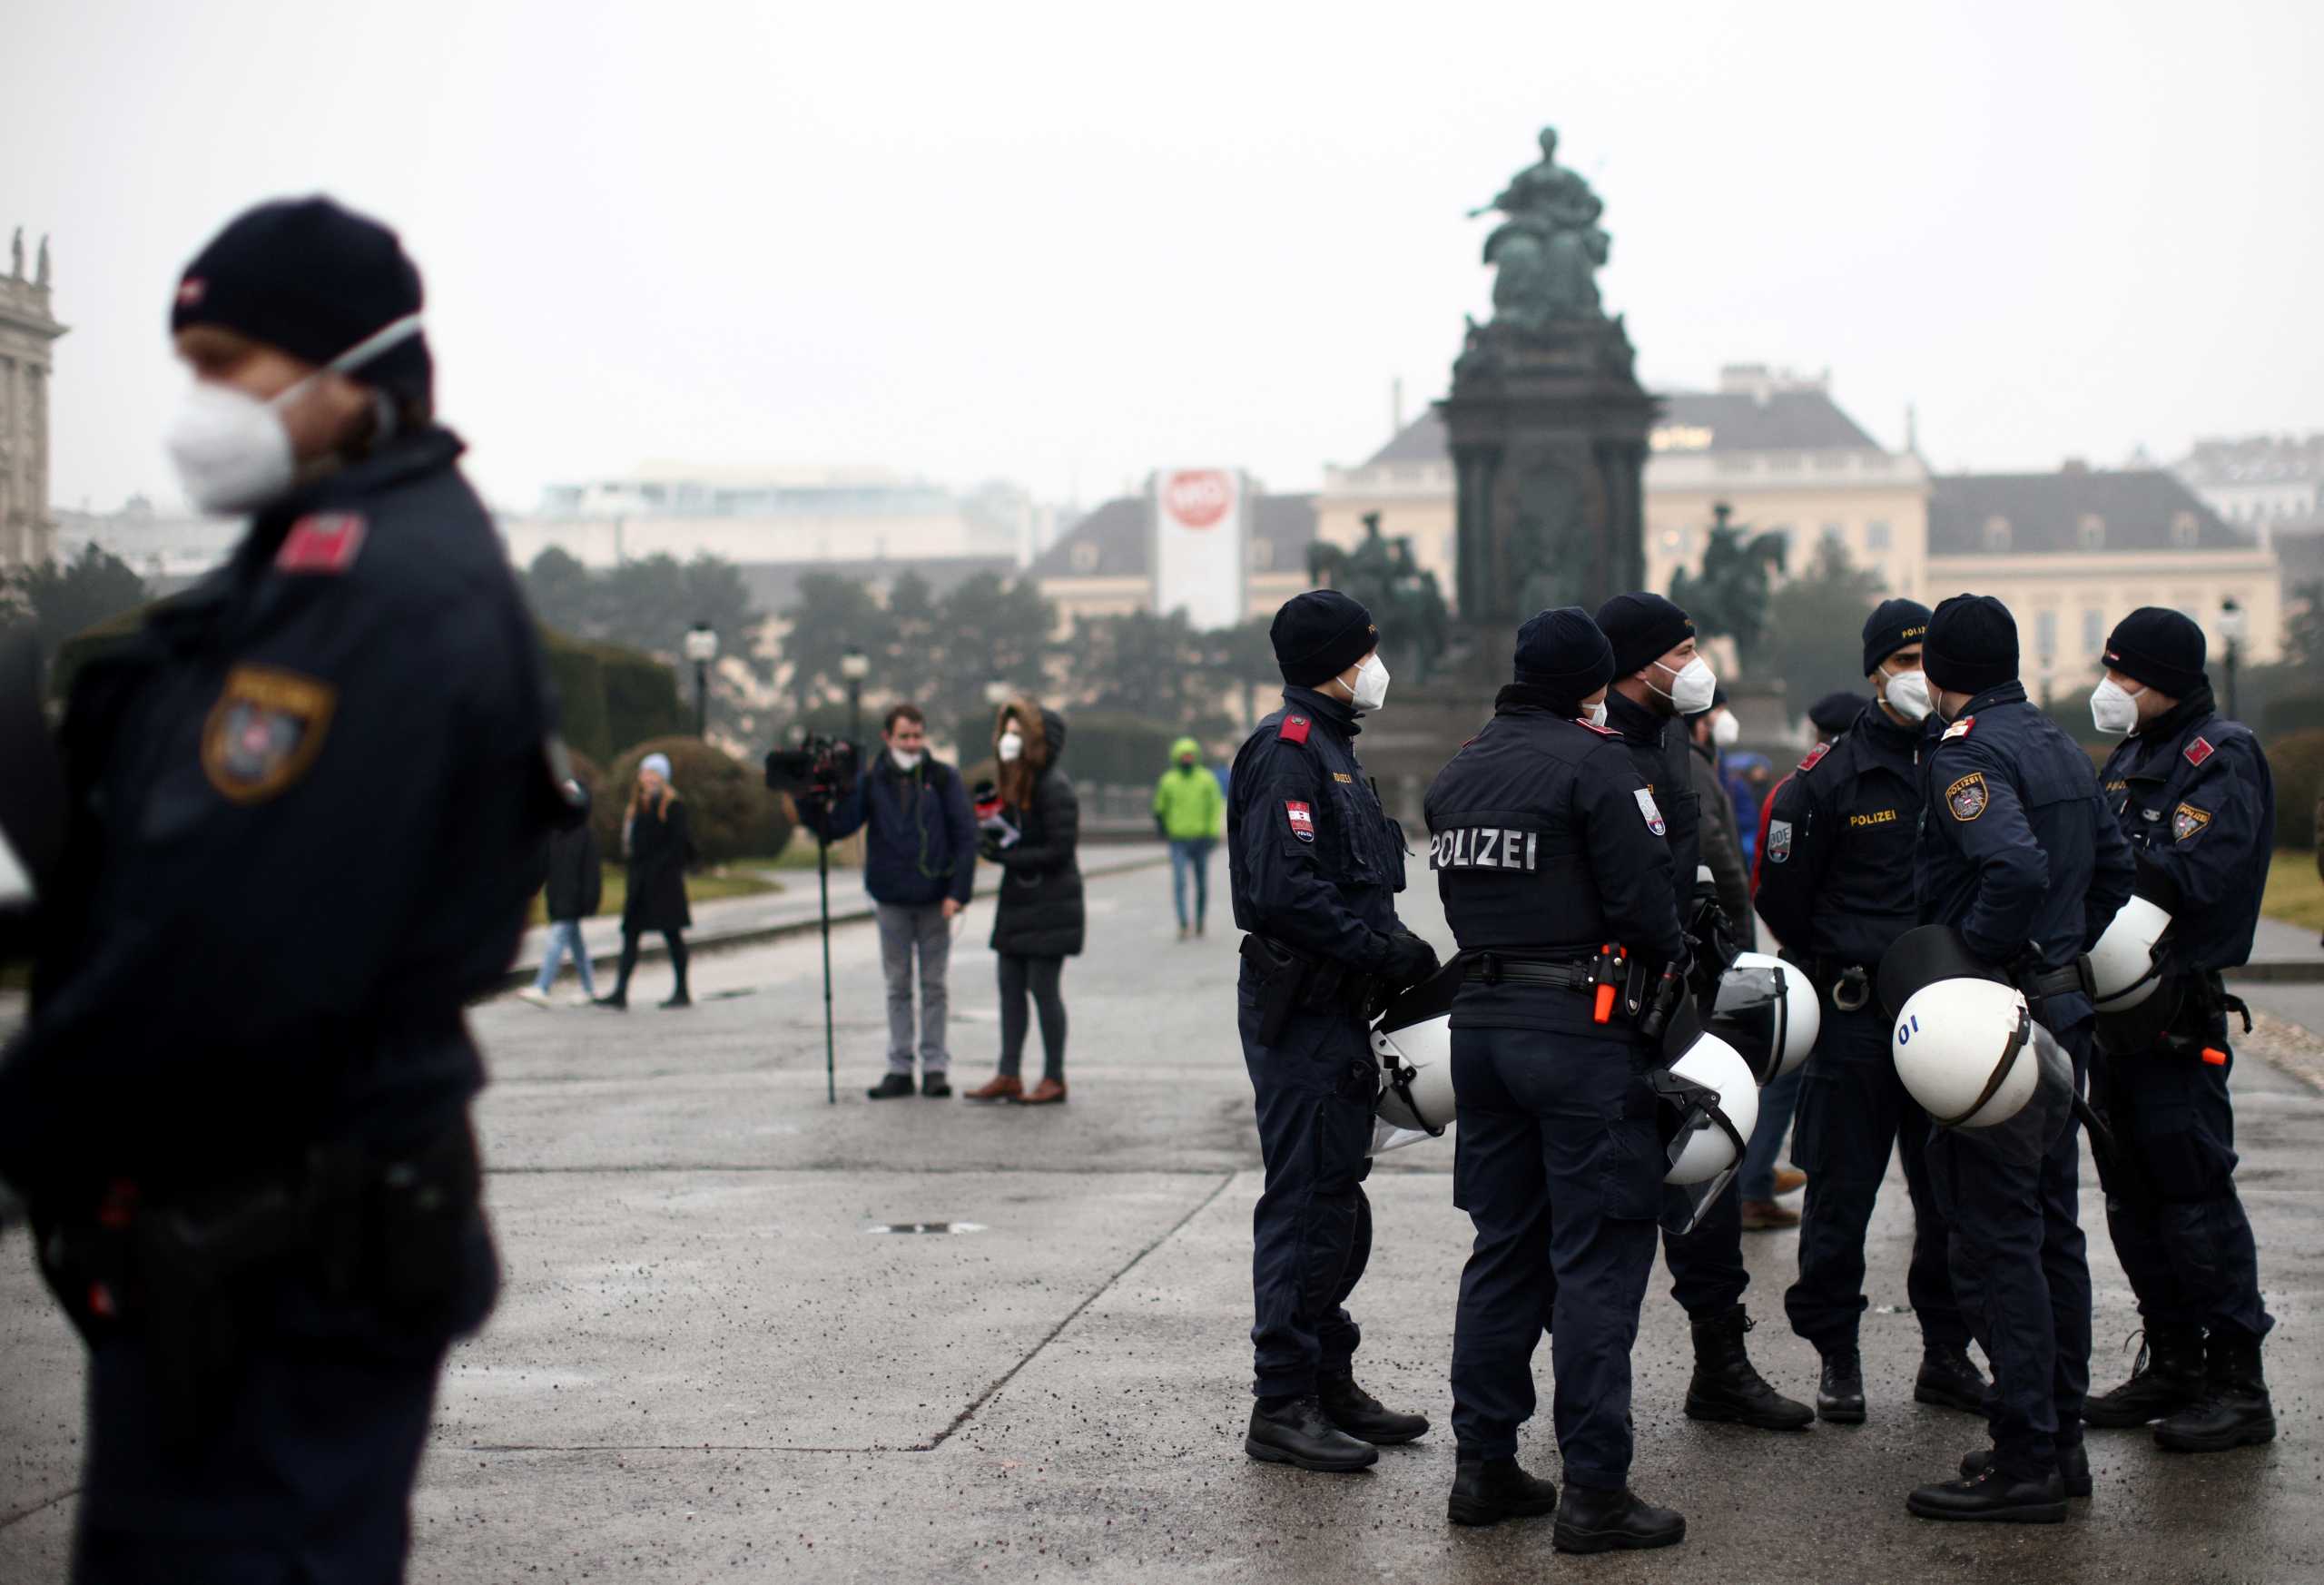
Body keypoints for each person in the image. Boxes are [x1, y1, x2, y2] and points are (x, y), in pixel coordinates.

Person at [0, 195, 562, 1582]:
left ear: (348, 367)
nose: (201, 404)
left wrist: (26, 1115)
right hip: (242, 1233)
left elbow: (226, 932)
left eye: (231, 365)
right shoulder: (314, 552)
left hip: (285, 1248)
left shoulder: (380, 585)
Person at [1432, 608, 1689, 1551]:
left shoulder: (1458, 770)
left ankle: (1483, 1468)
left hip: (1484, 1026)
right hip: (1578, 1031)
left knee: (1504, 1249)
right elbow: (1645, 905)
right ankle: (1594, 1493)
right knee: (1596, 1258)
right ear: (1589, 681)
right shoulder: (1597, 763)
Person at [1905, 593, 2133, 1522]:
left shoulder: (1964, 753)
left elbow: (2012, 867)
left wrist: (1980, 965)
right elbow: (2113, 872)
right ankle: (2058, 1440)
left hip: (1996, 1025)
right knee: (2050, 1235)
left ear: (1937, 671)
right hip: (2061, 1011)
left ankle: (2025, 1455)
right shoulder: (2054, 744)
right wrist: (2057, 954)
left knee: (1994, 1241)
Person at [1756, 599, 1986, 1423]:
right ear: (1875, 672)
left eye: (1931, 658)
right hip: (1856, 1018)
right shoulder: (1824, 781)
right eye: (1904, 660)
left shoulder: (1967, 764)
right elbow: (1782, 897)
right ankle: (1836, 1355)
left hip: (1953, 1014)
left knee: (1951, 1198)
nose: (1920, 675)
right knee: (1840, 1196)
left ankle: (1947, 1352)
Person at [1228, 589, 1438, 1472]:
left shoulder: (1333, 754)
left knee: (1336, 1201)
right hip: (1305, 1007)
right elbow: (1284, 893)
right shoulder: (1287, 757)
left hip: (1338, 1008)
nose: (1376, 666)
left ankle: (1325, 1377)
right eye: (1367, 651)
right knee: (1307, 1202)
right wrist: (1385, 949)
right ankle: (1282, 1402)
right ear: (1335, 661)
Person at [1595, 591, 1814, 1432]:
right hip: (1629, 1010)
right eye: (1681, 650)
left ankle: (1721, 1365)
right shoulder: (1612, 751)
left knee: (1706, 1193)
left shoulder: (1671, 743)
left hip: (1680, 1001)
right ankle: (1592, 1415)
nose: (1697, 665)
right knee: (1627, 1208)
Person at [2082, 608, 2277, 1451]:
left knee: (2194, 1195)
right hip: (2113, 1017)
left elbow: (2196, 873)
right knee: (2131, 1198)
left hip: (2173, 1011)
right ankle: (2173, 1361)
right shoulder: (2130, 757)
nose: (2111, 690)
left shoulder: (2220, 754)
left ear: (2165, 679)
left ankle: (2238, 1382)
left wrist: (2095, 864)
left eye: (2125, 676)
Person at [798, 704, 976, 1100]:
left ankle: (934, 1066)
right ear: (888, 738)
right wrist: (808, 799)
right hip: (891, 899)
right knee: (898, 986)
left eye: (917, 736)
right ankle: (899, 1066)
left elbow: (966, 836)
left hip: (935, 901)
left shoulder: (943, 778)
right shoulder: (871, 780)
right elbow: (841, 825)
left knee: (934, 987)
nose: (912, 744)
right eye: (904, 737)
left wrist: (957, 893)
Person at [963, 699, 1083, 1106]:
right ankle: (1008, 1072)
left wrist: (1006, 857)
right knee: (1009, 987)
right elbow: (1021, 835)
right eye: (1006, 732)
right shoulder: (1017, 783)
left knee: (1043, 989)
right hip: (1019, 899)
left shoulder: (1054, 787)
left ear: (1037, 740)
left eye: (1018, 733)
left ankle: (1054, 1076)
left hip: (1051, 903)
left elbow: (1059, 849)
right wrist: (993, 837)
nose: (1008, 741)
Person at [596, 753, 694, 1009]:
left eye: (654, 773)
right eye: (645, 773)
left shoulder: (673, 805)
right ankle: (620, 991)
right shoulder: (637, 806)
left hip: (664, 883)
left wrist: (657, 868)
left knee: (672, 935)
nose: (648, 778)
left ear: (663, 776)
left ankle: (682, 990)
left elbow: (678, 844)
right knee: (630, 935)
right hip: (640, 882)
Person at [521, 778, 603, 1007]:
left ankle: (542, 986)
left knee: (557, 939)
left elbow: (591, 872)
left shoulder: (585, 834)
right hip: (557, 896)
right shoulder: (552, 833)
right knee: (576, 944)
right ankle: (589, 988)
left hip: (574, 899)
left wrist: (590, 899)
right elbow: (543, 866)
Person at [1154, 735, 1226, 940]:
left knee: (1201, 883)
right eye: (1183, 756)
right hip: (1178, 839)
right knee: (1180, 882)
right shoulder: (1169, 780)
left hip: (1201, 838)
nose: (1186, 759)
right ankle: (1184, 922)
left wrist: (1212, 833)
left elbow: (1215, 808)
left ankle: (1200, 920)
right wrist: (1162, 825)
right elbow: (1160, 805)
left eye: (1189, 755)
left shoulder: (1206, 779)